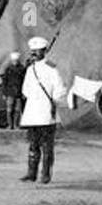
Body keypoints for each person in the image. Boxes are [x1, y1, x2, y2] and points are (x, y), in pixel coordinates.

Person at [19, 36, 66, 184]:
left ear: (44, 51)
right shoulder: (30, 70)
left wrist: (52, 102)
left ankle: (45, 174)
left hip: (46, 113)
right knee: (33, 144)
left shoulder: (52, 69)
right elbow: (25, 90)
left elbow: (60, 90)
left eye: (37, 51)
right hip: (33, 113)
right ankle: (31, 173)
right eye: (33, 51)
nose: (34, 54)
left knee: (46, 146)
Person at [0, 50, 26, 130]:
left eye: (16, 60)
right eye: (14, 60)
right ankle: (9, 125)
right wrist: (4, 93)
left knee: (17, 109)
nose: (15, 62)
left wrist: (24, 92)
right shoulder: (8, 69)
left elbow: (24, 81)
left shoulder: (22, 69)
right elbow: (5, 81)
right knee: (9, 109)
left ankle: (16, 124)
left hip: (19, 92)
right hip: (9, 92)